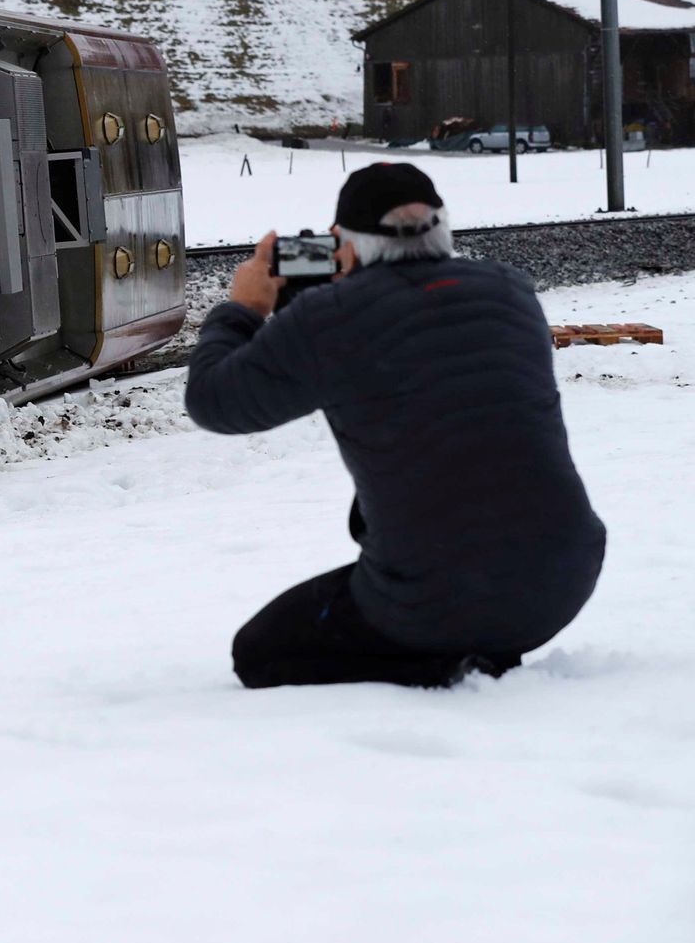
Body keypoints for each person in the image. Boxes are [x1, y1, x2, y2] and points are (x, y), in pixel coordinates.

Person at [186, 162, 605, 689]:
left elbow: (211, 400)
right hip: (564, 580)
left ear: (343, 243)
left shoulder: (330, 317)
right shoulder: (512, 291)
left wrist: (244, 308)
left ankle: (441, 662)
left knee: (259, 652)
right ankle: (483, 643)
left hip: (435, 599)